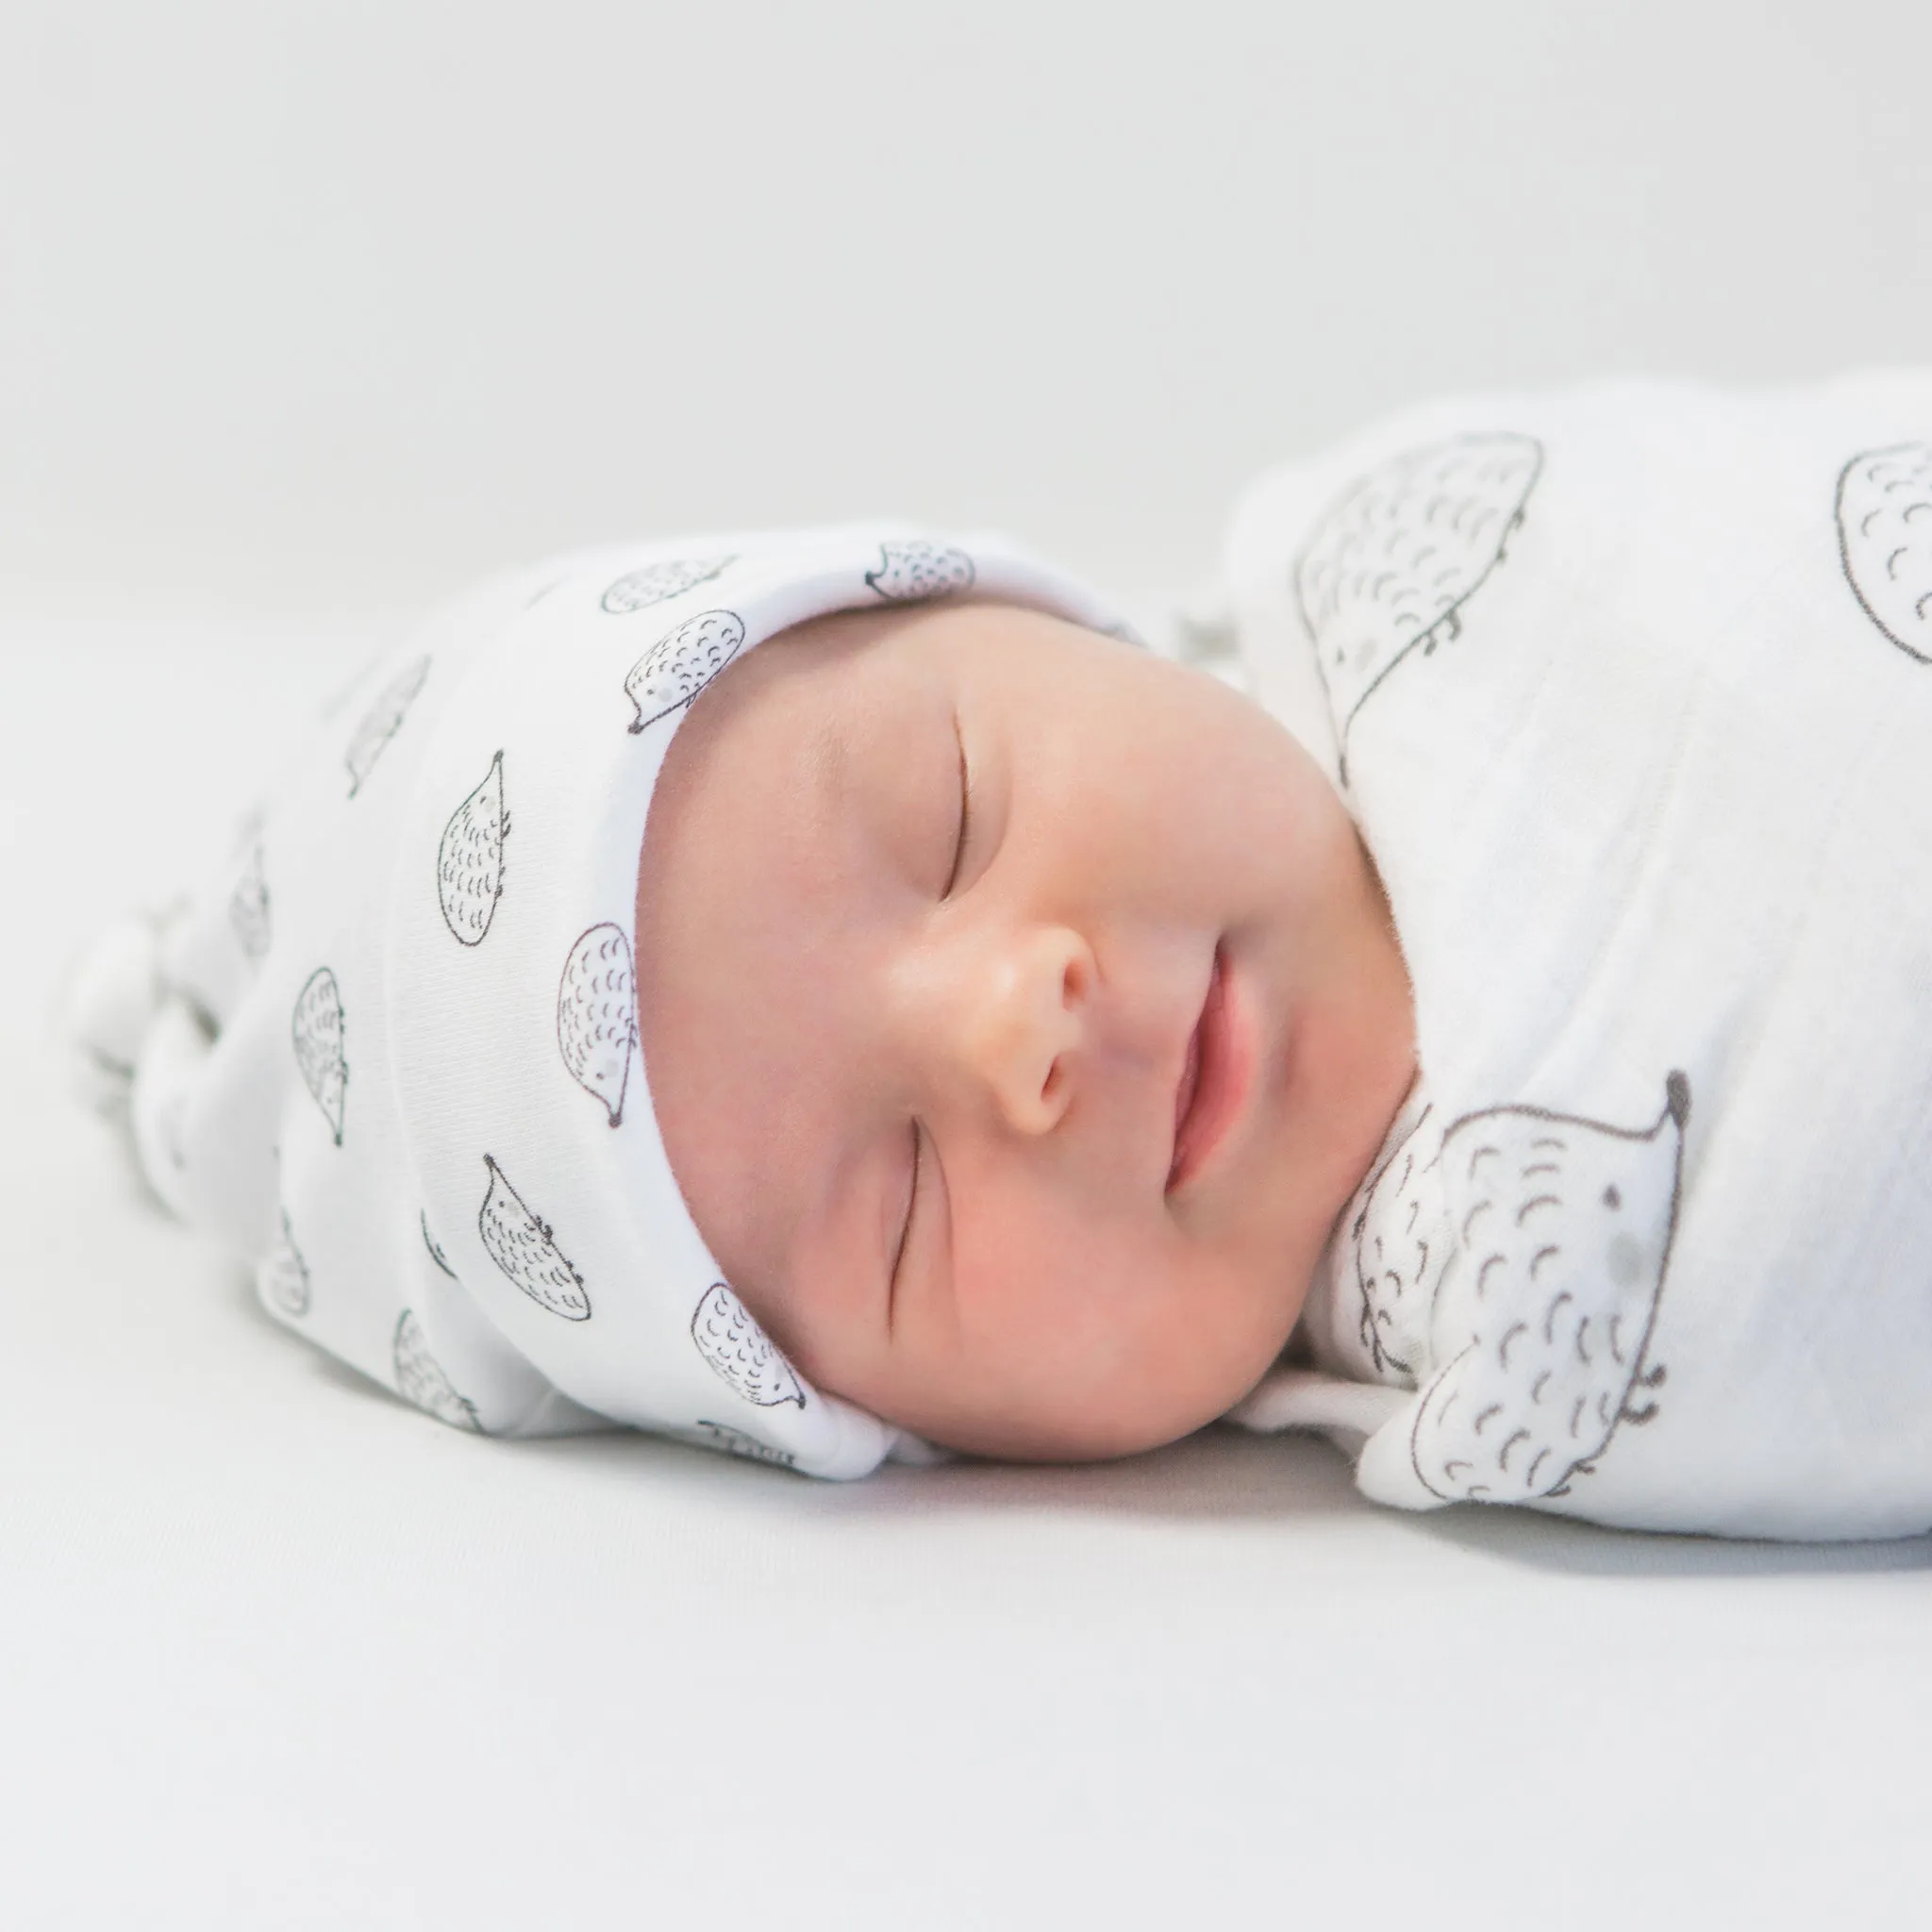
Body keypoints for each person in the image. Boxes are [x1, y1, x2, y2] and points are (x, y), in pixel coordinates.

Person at [66, 371, 1932, 1539]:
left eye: (948, 811)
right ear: (893, 1432)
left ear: (1038, 615)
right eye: (895, 1211)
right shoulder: (1518, 1369)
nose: (1011, 1032)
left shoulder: (1424, 533)